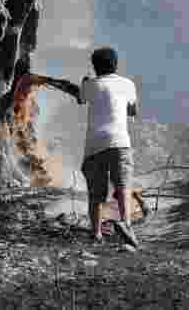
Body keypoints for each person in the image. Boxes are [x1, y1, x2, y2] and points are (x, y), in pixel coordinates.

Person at [79, 46, 139, 249]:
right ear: (116, 65)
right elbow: (133, 111)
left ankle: (96, 233)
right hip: (120, 142)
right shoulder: (128, 84)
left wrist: (84, 82)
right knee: (123, 186)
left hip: (95, 144)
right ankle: (126, 224)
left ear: (95, 67)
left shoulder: (90, 84)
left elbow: (81, 98)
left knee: (96, 194)